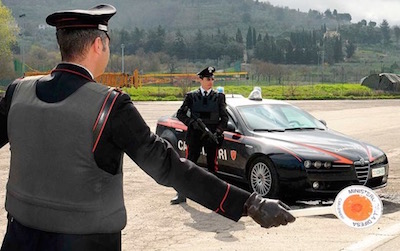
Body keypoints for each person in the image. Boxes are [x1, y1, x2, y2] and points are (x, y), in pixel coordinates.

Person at [0, 4, 295, 251]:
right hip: (84, 243)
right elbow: (168, 166)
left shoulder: (17, 93)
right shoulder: (109, 105)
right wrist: (249, 202)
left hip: (17, 238)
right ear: (98, 45)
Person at [170, 66, 228, 205]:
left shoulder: (219, 97)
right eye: (208, 79)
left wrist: (218, 131)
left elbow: (224, 118)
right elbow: (180, 114)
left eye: (212, 79)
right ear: (201, 80)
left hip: (211, 135)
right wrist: (191, 123)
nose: (211, 81)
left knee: (212, 167)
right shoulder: (191, 97)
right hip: (195, 135)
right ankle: (182, 194)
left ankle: (215, 196)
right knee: (189, 164)